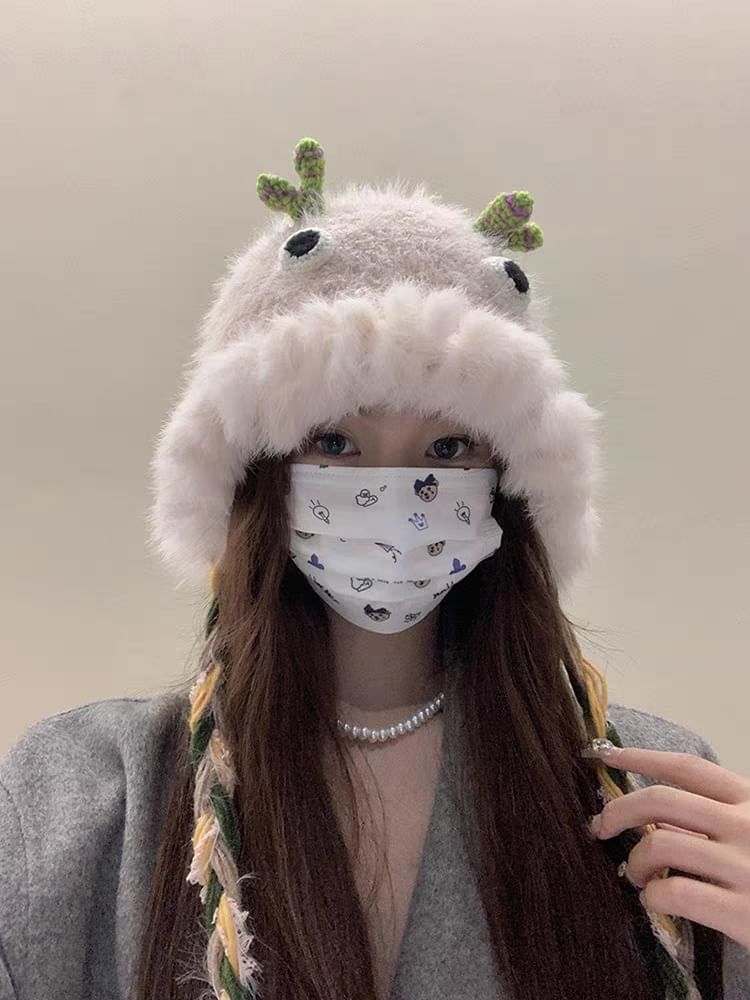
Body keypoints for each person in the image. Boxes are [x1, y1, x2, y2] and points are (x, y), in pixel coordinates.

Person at [1, 136, 748, 1000]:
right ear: (250, 476)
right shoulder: (80, 798)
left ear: (511, 486)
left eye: (448, 447)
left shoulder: (650, 799)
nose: (395, 494)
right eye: (335, 441)